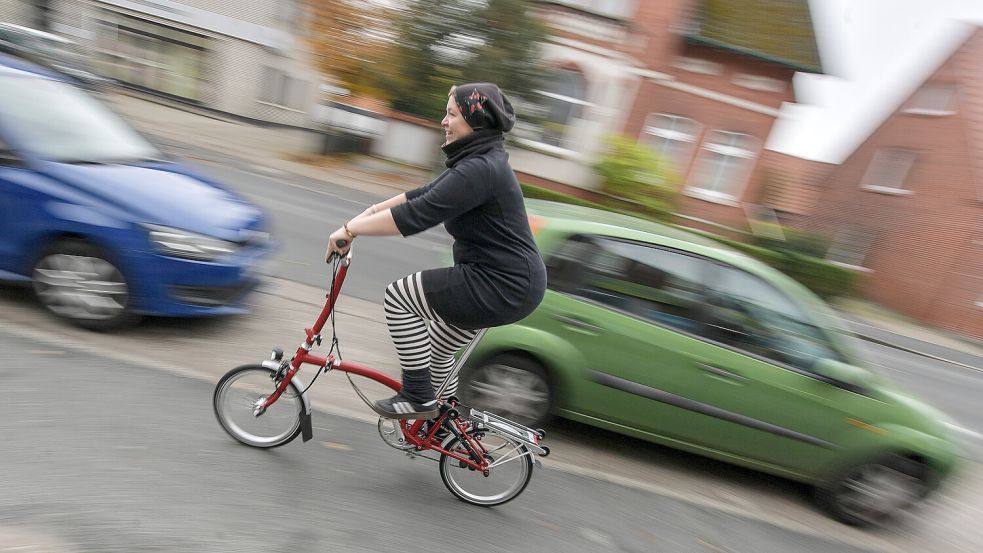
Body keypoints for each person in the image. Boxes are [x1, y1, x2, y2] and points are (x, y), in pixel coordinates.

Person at [324, 83, 547, 420]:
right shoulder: (480, 162)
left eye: (452, 114)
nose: (444, 121)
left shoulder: (480, 169)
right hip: (505, 282)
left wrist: (351, 230)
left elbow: (416, 216)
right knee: (439, 344)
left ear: (476, 121)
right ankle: (445, 421)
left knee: (400, 297)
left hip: (502, 284)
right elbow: (422, 195)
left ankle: (417, 397)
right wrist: (365, 215)